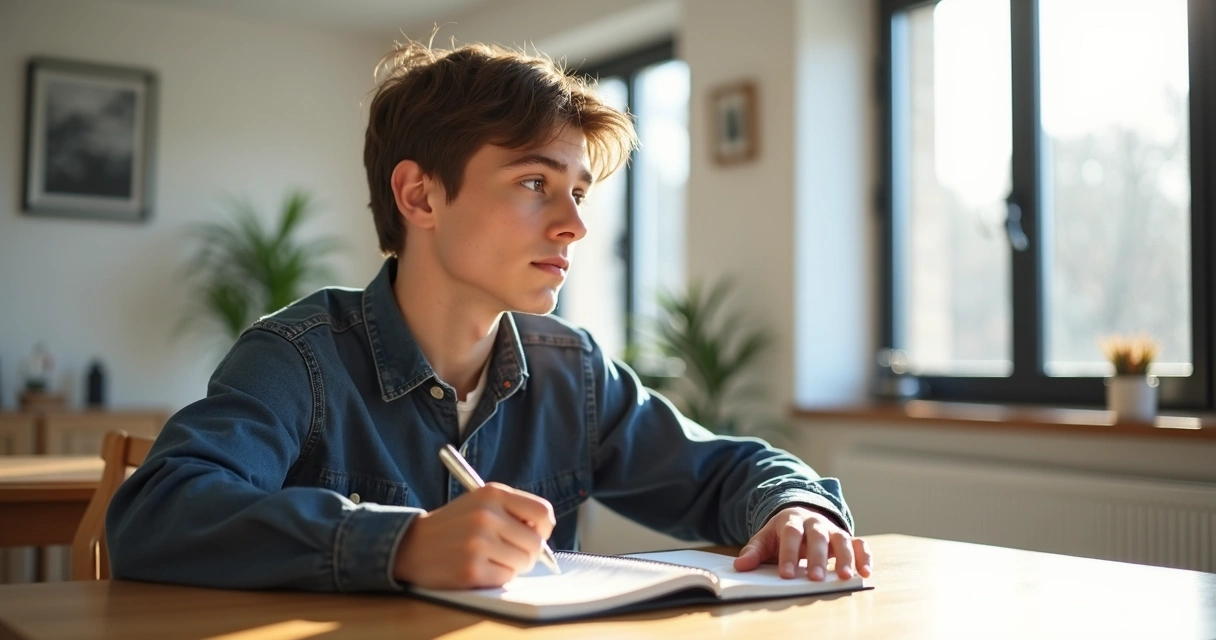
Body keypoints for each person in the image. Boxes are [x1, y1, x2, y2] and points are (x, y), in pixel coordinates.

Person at [107, 40, 872, 592]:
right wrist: (398, 545)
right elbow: (157, 513)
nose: (574, 225)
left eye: (579, 192)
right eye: (535, 183)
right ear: (420, 197)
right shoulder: (297, 358)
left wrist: (795, 505)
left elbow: (726, 471)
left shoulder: (570, 368)